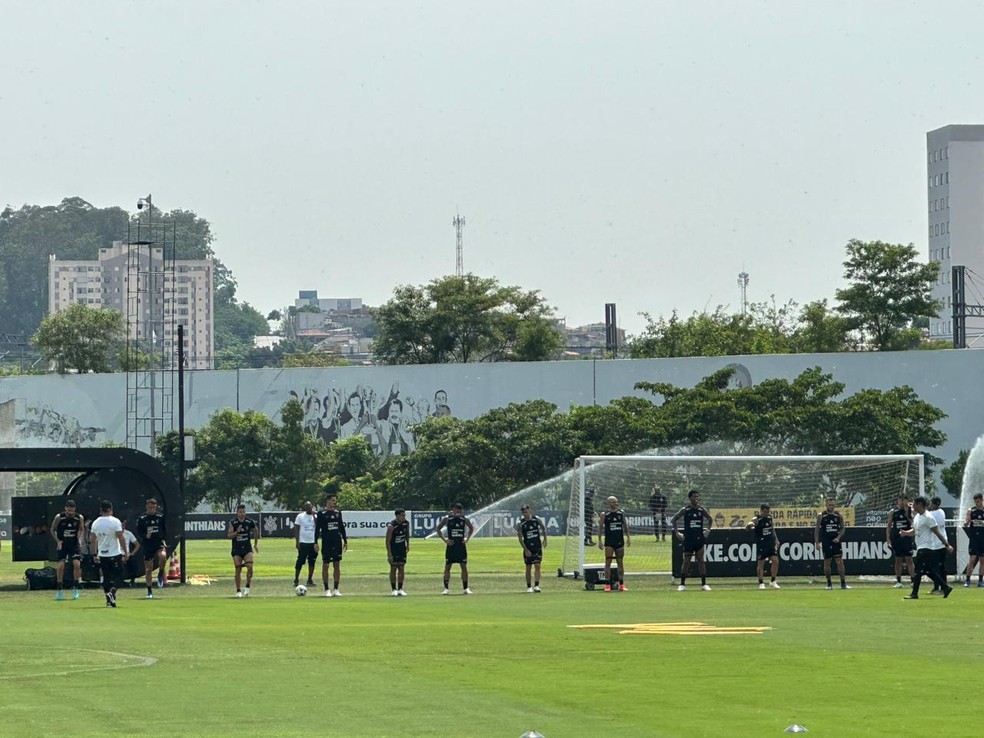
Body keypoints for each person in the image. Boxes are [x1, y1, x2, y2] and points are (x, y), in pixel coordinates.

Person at [900, 496, 954, 600]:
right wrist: (905, 533)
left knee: (918, 571)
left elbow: (937, 533)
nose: (913, 506)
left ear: (920, 504)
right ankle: (945, 587)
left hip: (927, 547)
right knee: (927, 570)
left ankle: (914, 593)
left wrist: (947, 545)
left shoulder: (928, 517)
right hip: (920, 546)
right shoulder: (917, 517)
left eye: (915, 504)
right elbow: (915, 531)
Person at [89, 500, 128, 608]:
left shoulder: (96, 522)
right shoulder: (115, 521)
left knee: (106, 577)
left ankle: (108, 601)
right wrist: (125, 552)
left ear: (101, 510)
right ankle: (113, 592)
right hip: (115, 553)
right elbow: (120, 537)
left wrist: (94, 554)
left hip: (102, 554)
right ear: (111, 509)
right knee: (119, 575)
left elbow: (92, 540)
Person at [672, 490, 713, 591]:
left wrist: (708, 530)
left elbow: (710, 519)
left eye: (697, 497)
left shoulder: (701, 510)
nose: (696, 499)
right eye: (694, 497)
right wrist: (677, 532)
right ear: (690, 498)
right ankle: (682, 584)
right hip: (689, 539)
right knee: (686, 561)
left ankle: (704, 584)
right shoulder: (685, 510)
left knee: (701, 560)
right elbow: (674, 519)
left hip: (699, 539)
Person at [51, 499, 85, 601]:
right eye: (68, 510)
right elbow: (52, 529)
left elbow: (81, 529)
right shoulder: (59, 517)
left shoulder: (79, 517)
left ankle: (75, 587)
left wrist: (79, 538)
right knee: (61, 566)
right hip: (63, 544)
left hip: (74, 544)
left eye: (72, 510)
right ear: (65, 508)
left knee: (77, 565)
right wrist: (58, 541)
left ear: (75, 509)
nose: (70, 512)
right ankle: (60, 589)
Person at [436, 503, 474, 595]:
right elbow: (438, 529)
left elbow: (471, 528)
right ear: (453, 509)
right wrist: (445, 540)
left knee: (464, 566)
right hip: (451, 546)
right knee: (448, 567)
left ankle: (466, 588)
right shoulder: (447, 519)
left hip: (461, 546)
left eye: (460, 509)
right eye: (457, 509)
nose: (458, 511)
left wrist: (467, 539)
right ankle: (446, 589)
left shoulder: (464, 519)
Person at [814, 497, 850, 590]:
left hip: (836, 542)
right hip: (826, 542)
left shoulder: (838, 516)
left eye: (833, 505)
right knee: (827, 563)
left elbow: (843, 528)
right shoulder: (821, 515)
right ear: (826, 505)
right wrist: (817, 542)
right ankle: (829, 583)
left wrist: (838, 537)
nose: (831, 507)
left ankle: (843, 583)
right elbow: (817, 530)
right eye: (830, 505)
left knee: (840, 562)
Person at [316, 494, 347, 597]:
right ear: (328, 501)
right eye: (333, 500)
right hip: (327, 542)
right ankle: (326, 589)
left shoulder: (338, 513)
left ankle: (336, 589)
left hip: (337, 542)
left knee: (337, 564)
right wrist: (315, 542)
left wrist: (345, 541)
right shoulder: (321, 513)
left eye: (335, 501)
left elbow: (341, 527)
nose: (334, 502)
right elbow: (317, 529)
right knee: (326, 565)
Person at [136, 497, 168, 596]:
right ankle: (149, 591)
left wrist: (163, 539)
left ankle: (160, 573)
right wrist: (146, 535)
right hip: (148, 545)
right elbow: (139, 532)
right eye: (150, 507)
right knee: (148, 569)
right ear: (147, 507)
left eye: (154, 507)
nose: (152, 509)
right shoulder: (142, 519)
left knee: (163, 556)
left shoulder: (160, 517)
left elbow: (164, 530)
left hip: (158, 543)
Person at [598, 496, 630, 591]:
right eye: (613, 502)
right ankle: (607, 585)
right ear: (609, 503)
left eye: (616, 502)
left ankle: (621, 585)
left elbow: (625, 526)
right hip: (609, 542)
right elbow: (600, 528)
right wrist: (599, 541)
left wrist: (628, 537)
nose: (616, 504)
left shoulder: (621, 513)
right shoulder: (605, 515)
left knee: (620, 562)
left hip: (619, 541)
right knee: (608, 562)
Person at [227, 504, 259, 598]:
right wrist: (237, 532)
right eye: (240, 512)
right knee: (238, 569)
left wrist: (256, 544)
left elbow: (256, 531)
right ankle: (238, 590)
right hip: (236, 549)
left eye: (243, 512)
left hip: (247, 548)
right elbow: (229, 536)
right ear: (237, 512)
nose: (242, 514)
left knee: (250, 566)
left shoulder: (249, 522)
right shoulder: (233, 522)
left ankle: (247, 587)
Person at [746, 504, 780, 589]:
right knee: (761, 563)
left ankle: (773, 581)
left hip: (770, 543)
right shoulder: (757, 519)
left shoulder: (769, 518)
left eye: (768, 512)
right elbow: (749, 526)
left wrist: (776, 539)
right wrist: (749, 525)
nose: (766, 513)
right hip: (762, 543)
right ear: (761, 510)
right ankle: (761, 583)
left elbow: (772, 529)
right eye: (765, 512)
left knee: (775, 561)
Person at [516, 504, 548, 593]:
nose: (525, 514)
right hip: (528, 547)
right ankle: (529, 586)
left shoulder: (536, 519)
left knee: (537, 565)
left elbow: (543, 528)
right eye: (523, 513)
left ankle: (537, 586)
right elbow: (520, 538)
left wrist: (545, 539)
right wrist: (525, 549)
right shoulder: (520, 523)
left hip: (537, 546)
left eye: (526, 512)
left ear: (530, 510)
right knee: (528, 567)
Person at [886, 495, 914, 588]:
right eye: (900, 500)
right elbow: (889, 525)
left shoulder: (910, 511)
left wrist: (908, 512)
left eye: (904, 500)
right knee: (898, 559)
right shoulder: (893, 512)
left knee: (909, 559)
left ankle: (913, 581)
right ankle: (898, 581)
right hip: (896, 538)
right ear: (897, 501)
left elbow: (913, 522)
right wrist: (888, 537)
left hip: (907, 537)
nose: (902, 502)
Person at [293, 501, 319, 587]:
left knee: (312, 562)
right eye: (306, 506)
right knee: (300, 561)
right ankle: (296, 579)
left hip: (313, 543)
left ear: (312, 506)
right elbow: (297, 528)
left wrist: (314, 516)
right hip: (303, 542)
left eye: (309, 506)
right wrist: (297, 541)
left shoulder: (315, 516)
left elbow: (318, 527)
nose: (308, 507)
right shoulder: (300, 516)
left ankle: (309, 579)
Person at [386, 509, 410, 596]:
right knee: (393, 568)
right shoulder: (391, 526)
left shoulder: (406, 523)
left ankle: (400, 589)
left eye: (404, 515)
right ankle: (393, 589)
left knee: (402, 568)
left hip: (402, 549)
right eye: (402, 515)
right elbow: (387, 541)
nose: (403, 517)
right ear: (397, 516)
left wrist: (408, 544)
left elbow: (406, 534)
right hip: (394, 549)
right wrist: (389, 553)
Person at [963, 492, 984, 587]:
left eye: (978, 501)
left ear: (982, 500)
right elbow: (966, 522)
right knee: (972, 558)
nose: (977, 503)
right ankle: (967, 580)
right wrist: (967, 522)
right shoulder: (971, 510)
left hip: (983, 539)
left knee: (982, 560)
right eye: (975, 502)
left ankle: (980, 580)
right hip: (974, 539)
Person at [928, 497, 949, 593]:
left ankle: (940, 587)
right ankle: (939, 586)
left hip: (937, 542)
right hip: (942, 541)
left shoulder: (934, 514)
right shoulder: (942, 512)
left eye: (932, 504)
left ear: (936, 504)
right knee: (941, 566)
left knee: (936, 567)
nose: (930, 506)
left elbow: (926, 515)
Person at [120, 516, 142, 586]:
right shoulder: (115, 533)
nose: (122, 525)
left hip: (127, 554)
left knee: (135, 564)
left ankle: (132, 581)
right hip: (118, 554)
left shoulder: (128, 533)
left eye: (123, 524)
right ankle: (120, 581)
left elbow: (137, 545)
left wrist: (132, 553)